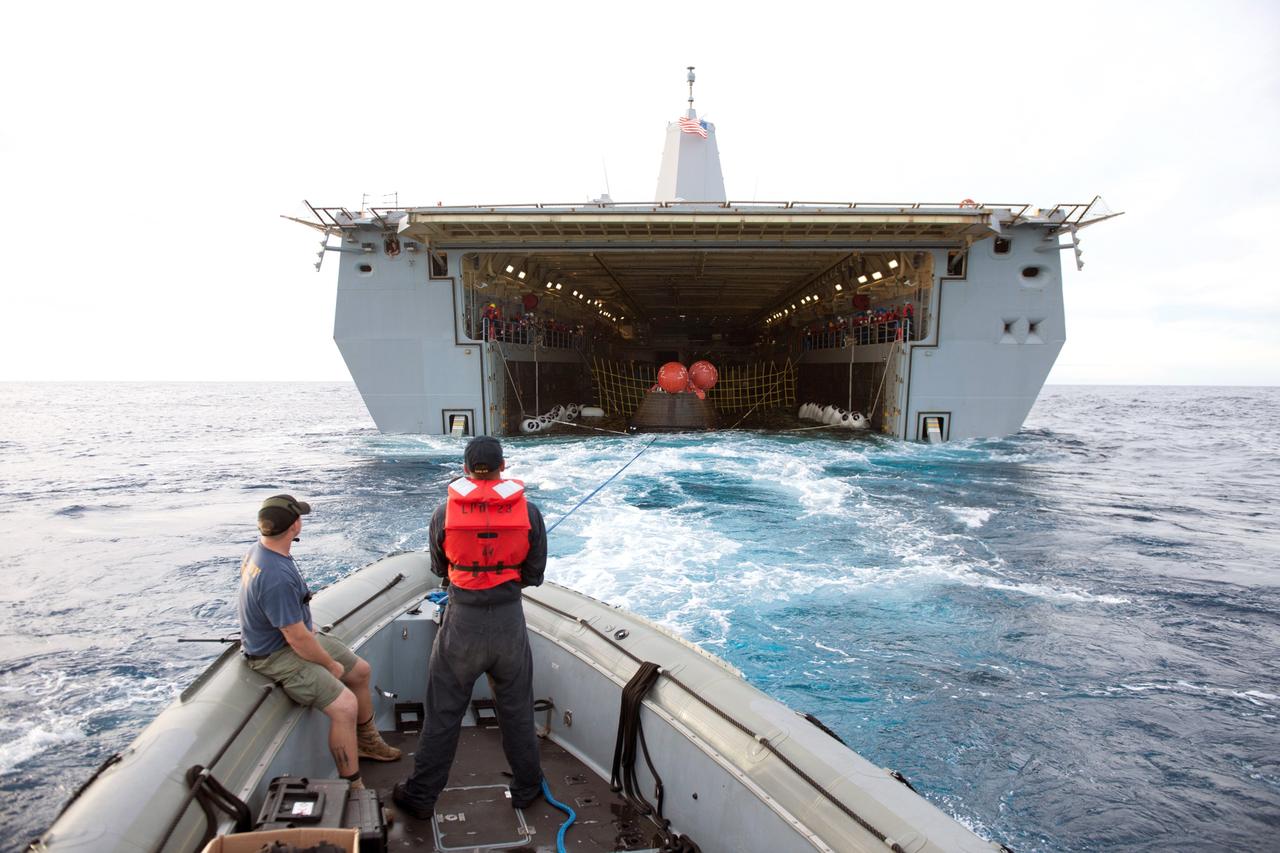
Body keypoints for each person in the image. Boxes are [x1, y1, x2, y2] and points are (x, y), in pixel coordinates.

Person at [393, 437, 547, 819]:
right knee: (517, 711)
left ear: (465, 469)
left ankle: (421, 796)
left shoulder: (443, 513)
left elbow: (438, 567)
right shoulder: (530, 512)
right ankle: (527, 788)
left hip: (462, 623)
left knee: (443, 712)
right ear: (503, 466)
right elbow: (534, 575)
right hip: (510, 622)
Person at [237, 494, 402, 789]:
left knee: (360, 671)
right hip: (276, 653)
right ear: (293, 527)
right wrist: (329, 665)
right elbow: (296, 638)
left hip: (290, 638)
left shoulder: (260, 552)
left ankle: (367, 743)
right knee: (345, 706)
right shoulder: (276, 576)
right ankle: (353, 787)